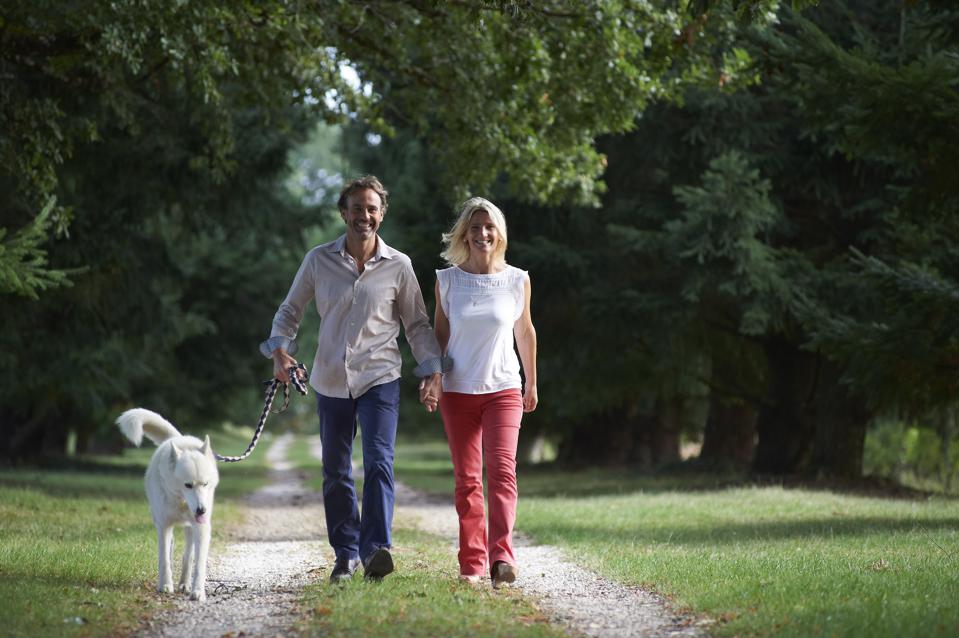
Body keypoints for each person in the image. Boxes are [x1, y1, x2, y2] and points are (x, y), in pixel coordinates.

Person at [261, 175, 445, 583]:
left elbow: (415, 324)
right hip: (330, 377)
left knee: (379, 463)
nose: (365, 215)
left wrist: (432, 369)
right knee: (336, 470)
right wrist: (279, 351)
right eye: (357, 207)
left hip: (380, 376)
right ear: (344, 212)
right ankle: (345, 555)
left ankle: (376, 550)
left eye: (372, 208)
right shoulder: (318, 260)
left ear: (382, 214)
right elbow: (290, 310)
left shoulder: (399, 265)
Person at [421, 196, 538, 588]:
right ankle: (472, 563)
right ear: (464, 234)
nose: (482, 233)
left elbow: (525, 331)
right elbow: (440, 334)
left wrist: (532, 382)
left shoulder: (518, 279)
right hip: (458, 391)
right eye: (475, 227)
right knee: (468, 479)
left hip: (504, 388)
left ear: (499, 233)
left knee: (503, 473)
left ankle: (502, 557)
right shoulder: (447, 280)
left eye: (489, 227)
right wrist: (434, 379)